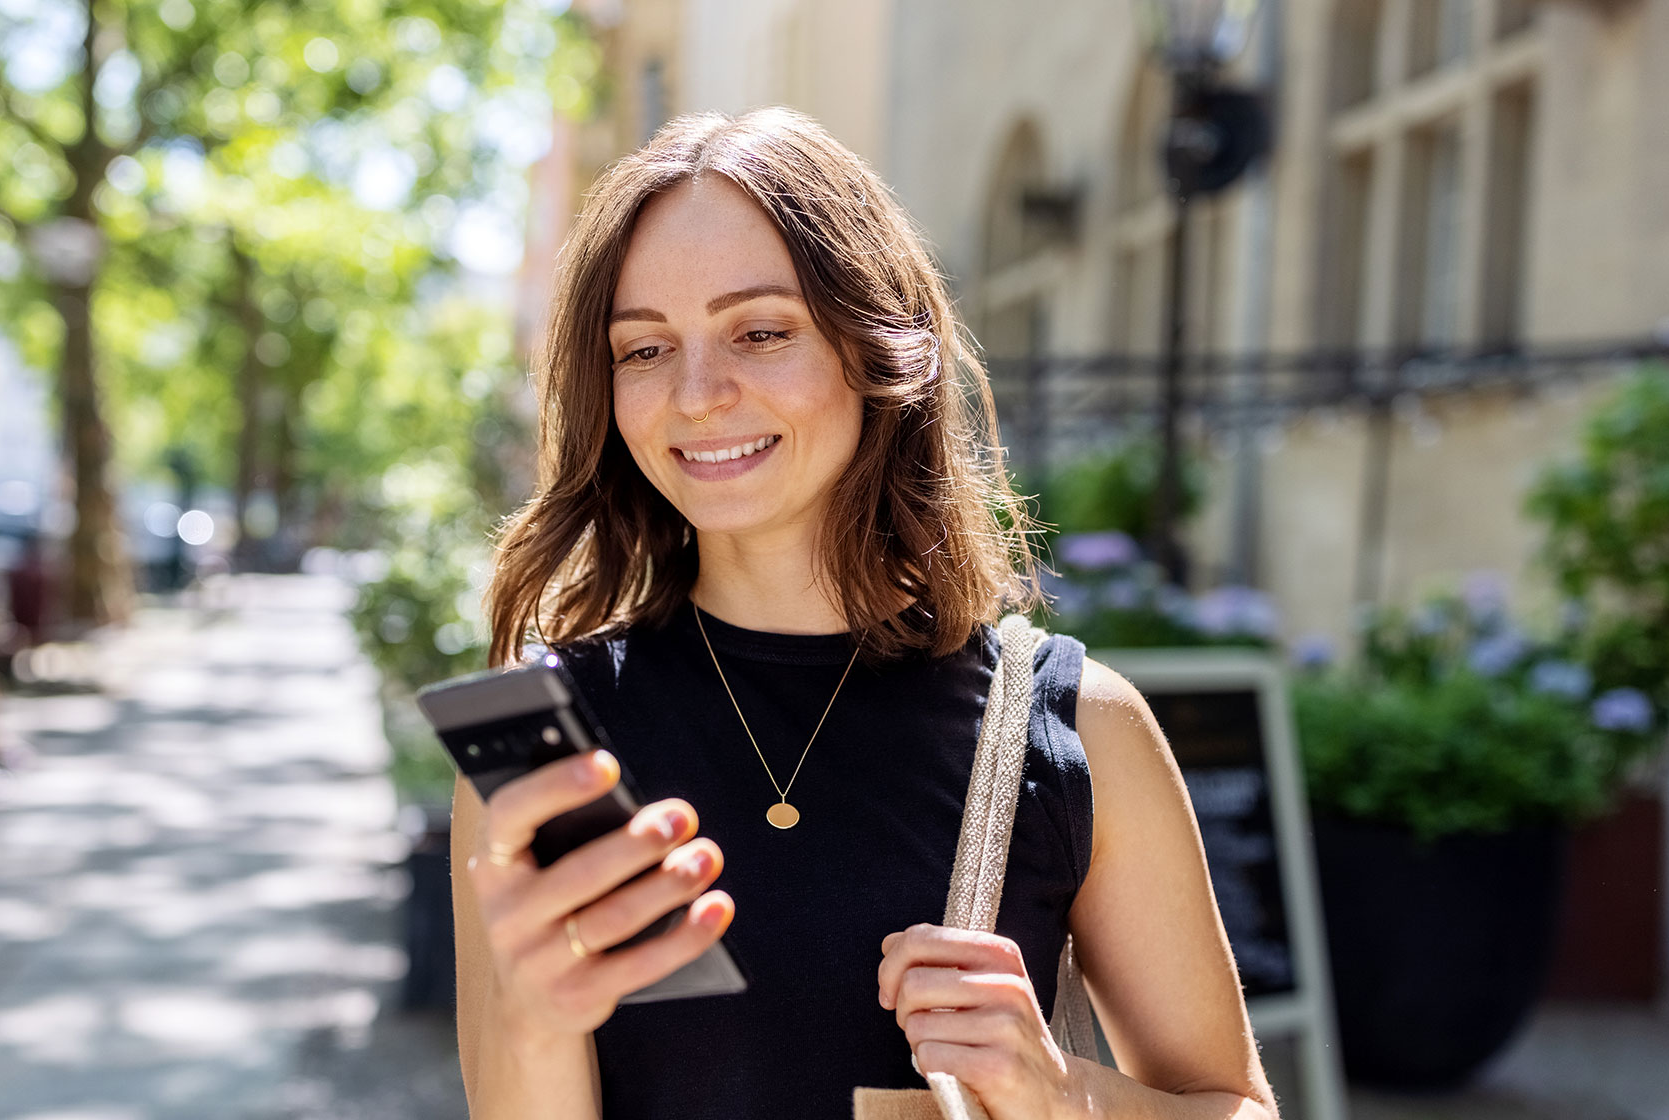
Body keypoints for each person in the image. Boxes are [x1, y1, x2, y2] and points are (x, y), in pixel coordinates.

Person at [451, 109, 1276, 1120]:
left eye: (760, 331)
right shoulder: (545, 751)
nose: (698, 394)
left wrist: (1062, 1093)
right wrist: (535, 1017)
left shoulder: (1071, 727)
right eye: (642, 349)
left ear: (876, 345)